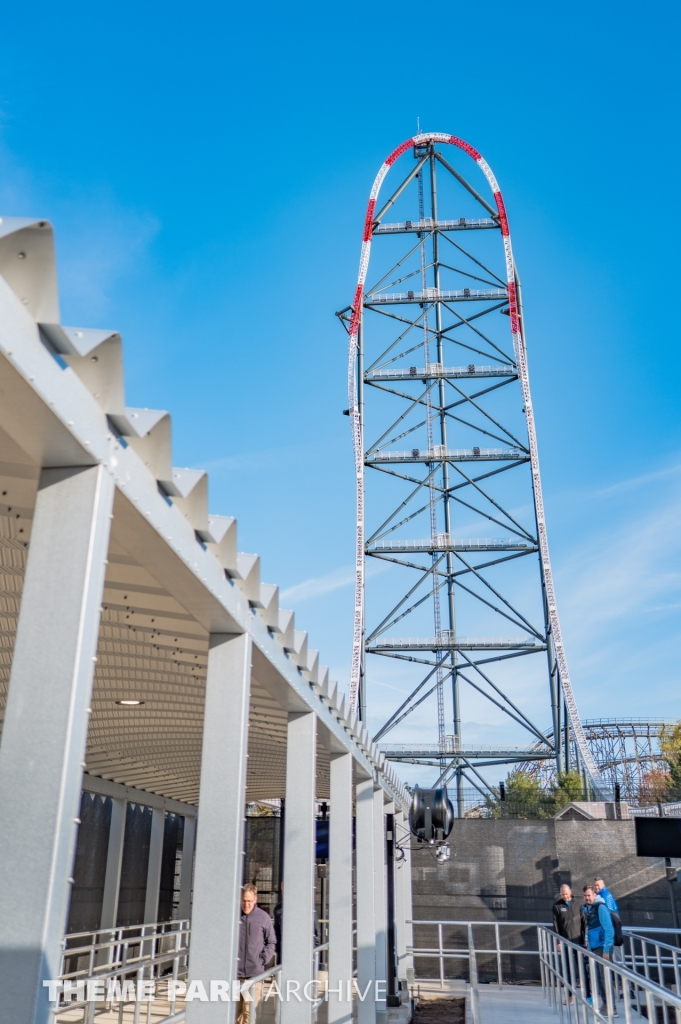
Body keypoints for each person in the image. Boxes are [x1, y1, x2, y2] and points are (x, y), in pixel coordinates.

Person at [237, 884, 277, 1024]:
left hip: (254, 974)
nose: (246, 904)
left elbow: (271, 942)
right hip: (234, 974)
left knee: (249, 1014)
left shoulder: (263, 917)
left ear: (255, 899)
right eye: (243, 900)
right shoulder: (234, 915)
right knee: (235, 1015)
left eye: (249, 901)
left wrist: (262, 959)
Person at [583, 885, 617, 1016]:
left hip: (603, 948)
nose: (587, 898)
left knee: (605, 978)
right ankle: (605, 1004)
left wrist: (607, 949)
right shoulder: (590, 909)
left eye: (589, 895)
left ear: (594, 895)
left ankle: (612, 1008)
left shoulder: (600, 907)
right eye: (585, 895)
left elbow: (609, 929)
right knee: (599, 978)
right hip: (595, 947)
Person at [552, 884, 583, 999]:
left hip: (578, 942)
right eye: (563, 894)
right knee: (568, 970)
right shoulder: (557, 906)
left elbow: (584, 923)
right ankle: (570, 995)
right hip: (565, 942)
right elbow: (556, 925)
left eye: (566, 893)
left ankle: (587, 995)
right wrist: (559, 942)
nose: (565, 896)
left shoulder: (578, 904)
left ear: (571, 892)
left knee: (582, 969)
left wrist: (584, 939)